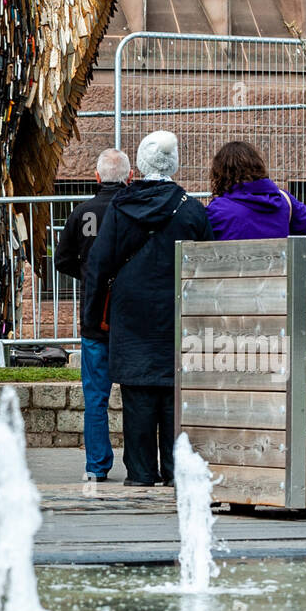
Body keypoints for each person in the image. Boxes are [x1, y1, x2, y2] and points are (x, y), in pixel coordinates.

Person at [82, 131, 213, 488]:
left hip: (131, 314)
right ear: (175, 163)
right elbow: (208, 266)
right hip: (178, 314)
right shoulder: (191, 209)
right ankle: (176, 471)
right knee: (175, 392)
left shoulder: (121, 207)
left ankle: (140, 472)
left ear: (139, 163)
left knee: (137, 392)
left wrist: (91, 318)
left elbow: (99, 265)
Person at [54, 148, 131, 482]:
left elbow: (61, 260)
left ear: (97, 177)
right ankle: (142, 464)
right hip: (132, 319)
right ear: (130, 178)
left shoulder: (82, 212)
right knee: (137, 397)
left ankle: (97, 466)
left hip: (93, 315)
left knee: (95, 397)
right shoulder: (136, 212)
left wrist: (88, 275)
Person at [207, 141, 306, 240]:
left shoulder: (217, 209)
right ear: (257, 166)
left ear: (221, 173)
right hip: (279, 261)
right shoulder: (285, 199)